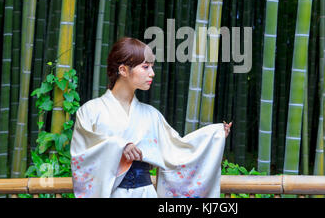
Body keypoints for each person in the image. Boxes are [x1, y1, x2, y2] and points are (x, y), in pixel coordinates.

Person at [70, 37, 232, 198]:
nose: (152, 73)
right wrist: (120, 146)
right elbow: (81, 156)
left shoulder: (151, 115)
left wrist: (213, 136)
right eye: (145, 67)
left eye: (152, 67)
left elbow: (178, 150)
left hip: (145, 193)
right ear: (123, 70)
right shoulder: (90, 111)